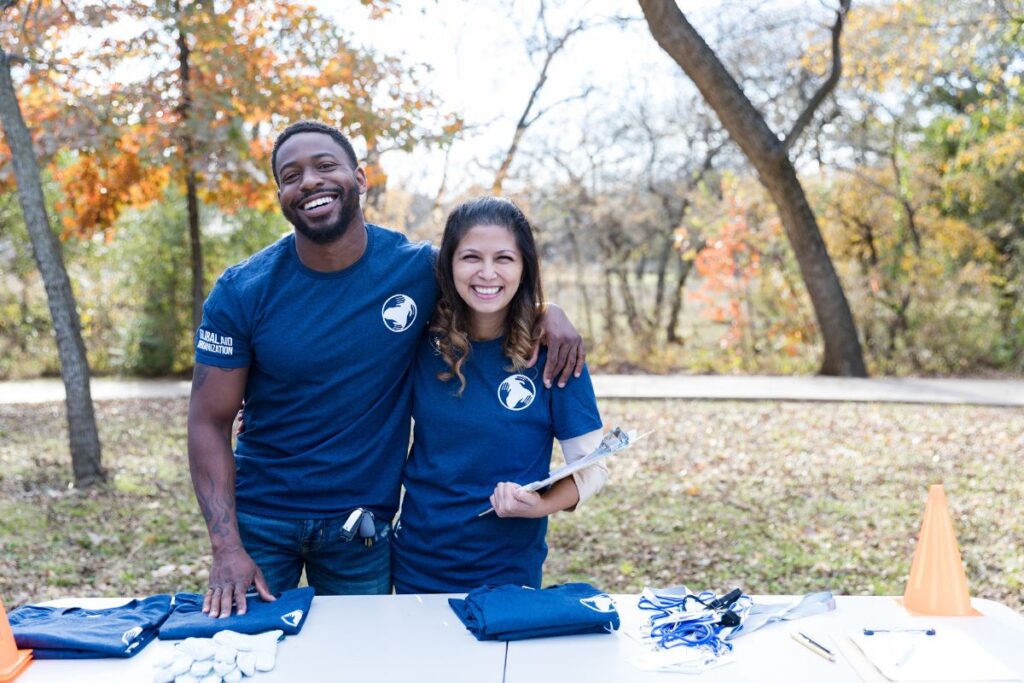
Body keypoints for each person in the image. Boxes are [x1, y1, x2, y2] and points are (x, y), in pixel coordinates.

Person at [188, 122, 584, 617]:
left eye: (325, 166)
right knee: (245, 658)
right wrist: (226, 548)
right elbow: (208, 420)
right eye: (292, 175)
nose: (309, 181)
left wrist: (548, 313)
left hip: (362, 527)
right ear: (281, 195)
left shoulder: (416, 269)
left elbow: (490, 280)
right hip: (261, 520)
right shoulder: (242, 290)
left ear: (360, 178)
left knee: (361, 665)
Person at [391, 197, 608, 594]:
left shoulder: (555, 352)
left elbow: (593, 468)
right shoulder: (418, 342)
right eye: (471, 257)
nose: (487, 273)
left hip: (509, 570)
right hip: (417, 562)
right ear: (449, 265)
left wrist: (540, 504)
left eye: (504, 258)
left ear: (524, 267)